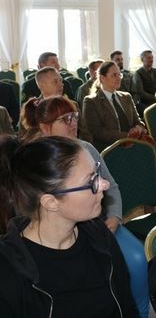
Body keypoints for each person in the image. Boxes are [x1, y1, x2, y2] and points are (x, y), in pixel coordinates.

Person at [20, 95, 149, 317]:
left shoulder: (86, 148)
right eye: (65, 119)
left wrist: (115, 218)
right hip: (73, 227)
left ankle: (144, 308)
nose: (73, 123)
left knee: (136, 259)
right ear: (45, 127)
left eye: (74, 116)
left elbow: (112, 187)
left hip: (100, 222)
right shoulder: (35, 163)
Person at [0, 135, 139, 317]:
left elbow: (127, 309)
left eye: (97, 172)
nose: (104, 184)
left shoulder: (99, 237)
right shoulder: (8, 270)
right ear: (51, 202)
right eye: (91, 181)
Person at [83, 61, 146, 152]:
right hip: (109, 149)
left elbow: (138, 121)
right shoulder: (91, 101)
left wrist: (139, 128)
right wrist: (127, 135)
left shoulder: (126, 97)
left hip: (132, 144)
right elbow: (98, 132)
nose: (118, 78)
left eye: (119, 75)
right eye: (114, 75)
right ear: (102, 78)